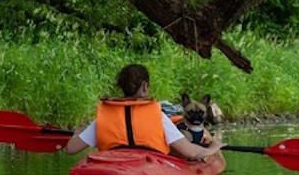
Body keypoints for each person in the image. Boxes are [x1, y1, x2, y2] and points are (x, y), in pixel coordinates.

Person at [64, 64, 224, 160]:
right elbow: (190, 151)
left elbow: (71, 149)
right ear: (145, 86)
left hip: (113, 164)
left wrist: (77, 134)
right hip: (149, 166)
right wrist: (212, 148)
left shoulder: (105, 116)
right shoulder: (156, 115)